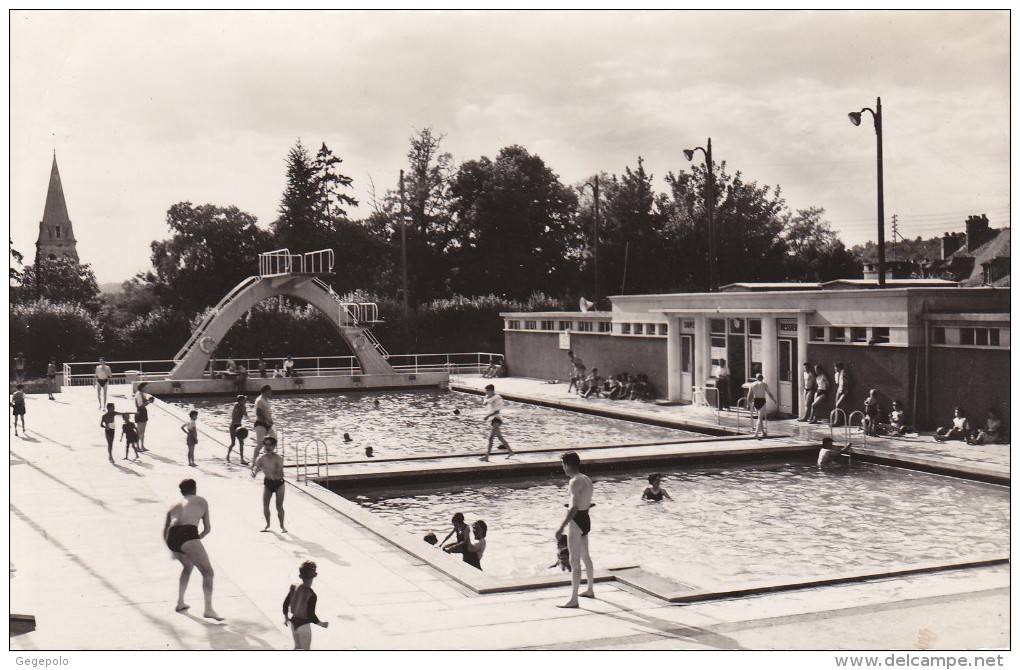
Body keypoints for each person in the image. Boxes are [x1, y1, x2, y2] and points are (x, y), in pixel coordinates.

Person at [163, 478, 223, 620]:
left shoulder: (173, 506)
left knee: (188, 566)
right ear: (194, 489)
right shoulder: (201, 500)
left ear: (182, 492)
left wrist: (172, 548)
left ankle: (180, 602)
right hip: (188, 534)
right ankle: (208, 609)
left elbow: (165, 530)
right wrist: (194, 541)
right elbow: (207, 529)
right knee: (208, 573)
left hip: (171, 537)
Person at [555, 451, 595, 608]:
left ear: (567, 465)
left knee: (574, 561)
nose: (563, 469)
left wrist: (561, 527)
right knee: (586, 556)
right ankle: (590, 589)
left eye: (563, 465)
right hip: (586, 519)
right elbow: (586, 503)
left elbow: (573, 507)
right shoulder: (586, 479)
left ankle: (573, 599)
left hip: (576, 521)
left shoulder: (574, 482)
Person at [282, 561, 328, 650]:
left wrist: (286, 617)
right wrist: (322, 624)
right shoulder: (311, 595)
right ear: (315, 575)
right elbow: (311, 615)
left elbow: (285, 603)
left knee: (297, 647)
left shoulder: (294, 586)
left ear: (300, 576)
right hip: (304, 626)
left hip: (293, 623)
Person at [253, 436, 287, 532]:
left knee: (278, 506)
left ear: (274, 446)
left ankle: (282, 526)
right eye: (266, 444)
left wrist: (273, 471)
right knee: (265, 505)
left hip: (279, 483)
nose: (268, 447)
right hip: (268, 483)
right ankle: (267, 525)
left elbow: (280, 473)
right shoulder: (260, 459)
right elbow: (256, 468)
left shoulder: (279, 459)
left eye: (270, 445)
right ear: (263, 445)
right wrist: (255, 472)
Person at [479, 384, 514, 461]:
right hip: (492, 419)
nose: (486, 393)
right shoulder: (489, 397)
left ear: (491, 391)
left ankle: (486, 456)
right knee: (500, 437)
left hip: (496, 419)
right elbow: (484, 404)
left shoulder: (497, 398)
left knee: (490, 438)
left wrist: (488, 416)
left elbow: (497, 411)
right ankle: (511, 452)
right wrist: (486, 397)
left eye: (487, 391)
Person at [250, 385, 277, 472]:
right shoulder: (260, 400)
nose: (271, 393)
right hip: (260, 424)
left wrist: (270, 420)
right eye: (270, 391)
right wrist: (266, 420)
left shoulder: (266, 400)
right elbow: (258, 412)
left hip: (268, 424)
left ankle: (268, 459)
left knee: (274, 439)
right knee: (260, 444)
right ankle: (254, 463)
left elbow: (267, 412)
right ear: (266, 391)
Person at [748, 373, 778, 439]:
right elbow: (769, 394)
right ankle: (756, 433)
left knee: (760, 418)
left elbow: (749, 395)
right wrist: (774, 400)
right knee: (760, 418)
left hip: (755, 401)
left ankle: (763, 432)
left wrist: (748, 404)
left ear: (756, 378)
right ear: (762, 378)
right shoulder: (764, 384)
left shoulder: (752, 384)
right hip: (762, 401)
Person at [228, 395, 250, 464]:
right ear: (240, 401)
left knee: (241, 443)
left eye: (245, 400)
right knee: (233, 443)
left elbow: (246, 416)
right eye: (244, 400)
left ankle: (242, 459)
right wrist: (242, 408)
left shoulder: (244, 407)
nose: (245, 401)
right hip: (233, 426)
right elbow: (235, 415)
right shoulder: (236, 406)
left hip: (239, 425)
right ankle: (228, 455)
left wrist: (244, 409)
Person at [133, 382, 154, 452]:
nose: (147, 388)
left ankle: (142, 446)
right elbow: (140, 405)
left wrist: (148, 401)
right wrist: (148, 402)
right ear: (142, 387)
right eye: (146, 387)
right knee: (139, 431)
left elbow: (144, 404)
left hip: (143, 413)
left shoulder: (142, 394)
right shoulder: (139, 394)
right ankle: (137, 446)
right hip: (140, 413)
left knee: (143, 431)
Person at [833, 362, 851, 426]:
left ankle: (837, 421)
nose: (835, 369)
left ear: (839, 368)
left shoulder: (844, 373)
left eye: (835, 368)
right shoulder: (838, 374)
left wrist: (844, 389)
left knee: (838, 405)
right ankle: (837, 420)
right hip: (840, 390)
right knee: (837, 405)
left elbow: (848, 382)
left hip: (844, 391)